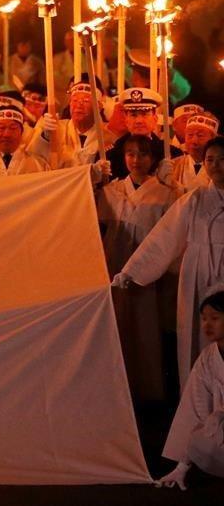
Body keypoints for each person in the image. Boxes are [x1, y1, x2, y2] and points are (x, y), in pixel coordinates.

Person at [114, 136, 224, 387]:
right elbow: (164, 237)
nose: (216, 165)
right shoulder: (194, 200)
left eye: (222, 160)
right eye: (210, 160)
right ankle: (198, 398)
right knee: (198, 335)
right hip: (198, 275)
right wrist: (132, 271)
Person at [98, 134, 177, 402]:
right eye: (130, 154)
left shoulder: (166, 194)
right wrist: (94, 178)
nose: (136, 160)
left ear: (153, 158)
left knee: (146, 330)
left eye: (143, 154)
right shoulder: (111, 191)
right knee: (115, 328)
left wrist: (174, 185)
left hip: (147, 275)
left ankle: (147, 391)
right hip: (114, 267)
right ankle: (114, 391)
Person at [155, 290, 224, 490]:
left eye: (215, 318)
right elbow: (197, 406)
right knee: (204, 440)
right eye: (203, 319)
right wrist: (183, 465)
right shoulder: (208, 358)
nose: (207, 325)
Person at [169, 114, 219, 194]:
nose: (194, 141)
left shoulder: (220, 166)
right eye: (190, 135)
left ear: (213, 139)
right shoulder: (173, 165)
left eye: (200, 135)